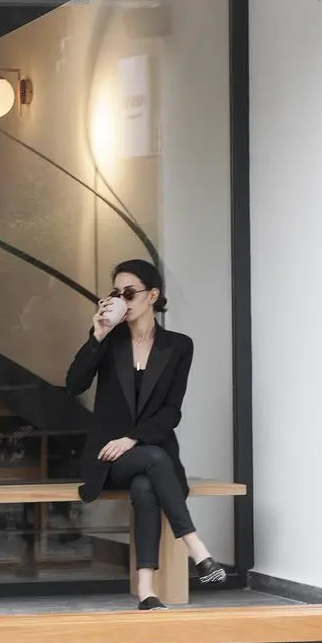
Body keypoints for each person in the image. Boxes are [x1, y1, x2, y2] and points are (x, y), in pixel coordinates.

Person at [66, 259, 226, 610]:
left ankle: (146, 591)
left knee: (145, 486)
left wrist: (132, 438)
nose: (121, 299)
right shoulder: (109, 341)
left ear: (152, 295)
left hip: (150, 454)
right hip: (109, 458)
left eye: (129, 293)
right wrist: (97, 334)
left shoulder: (178, 346)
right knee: (154, 459)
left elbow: (171, 411)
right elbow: (73, 384)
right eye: (116, 293)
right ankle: (197, 549)